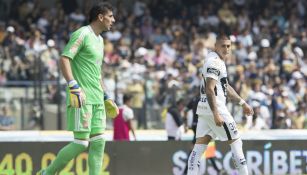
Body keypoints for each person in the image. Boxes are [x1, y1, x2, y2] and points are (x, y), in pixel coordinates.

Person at [37, 2, 118, 175]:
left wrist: (106, 96)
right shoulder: (82, 34)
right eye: (110, 16)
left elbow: (97, 71)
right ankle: (47, 173)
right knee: (81, 143)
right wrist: (73, 86)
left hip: (97, 98)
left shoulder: (100, 40)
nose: (113, 20)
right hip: (82, 97)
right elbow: (65, 58)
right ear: (100, 17)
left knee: (99, 142)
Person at [187, 35, 254, 175]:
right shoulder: (215, 62)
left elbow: (225, 86)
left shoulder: (214, 60)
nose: (226, 49)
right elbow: (210, 88)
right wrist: (216, 114)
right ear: (215, 46)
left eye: (228, 46)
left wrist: (242, 103)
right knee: (236, 142)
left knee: (198, 148)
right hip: (216, 108)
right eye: (223, 46)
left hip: (204, 109)